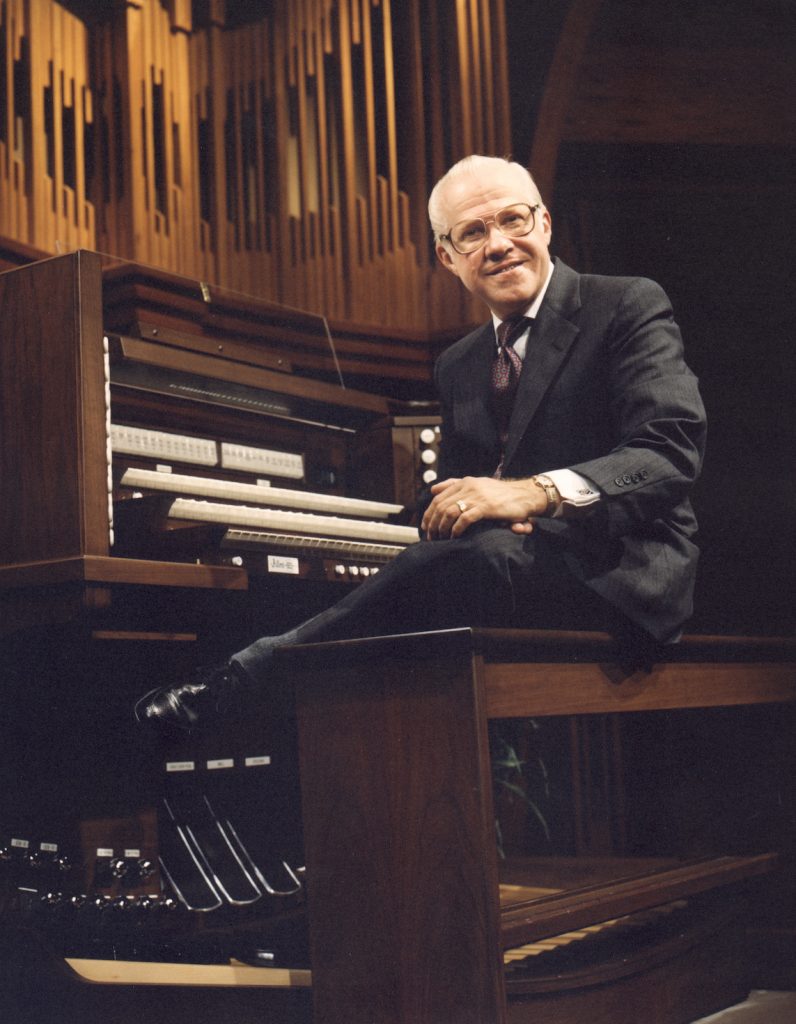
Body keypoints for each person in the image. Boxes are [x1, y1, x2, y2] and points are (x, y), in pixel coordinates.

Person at [136, 154, 706, 731]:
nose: (499, 243)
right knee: (454, 570)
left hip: (621, 571)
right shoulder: (459, 365)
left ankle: (252, 676)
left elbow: (668, 453)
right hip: (517, 566)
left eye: (514, 220)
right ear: (448, 256)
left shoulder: (625, 305)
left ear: (546, 224)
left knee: (479, 561)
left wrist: (534, 493)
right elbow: (463, 498)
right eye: (474, 232)